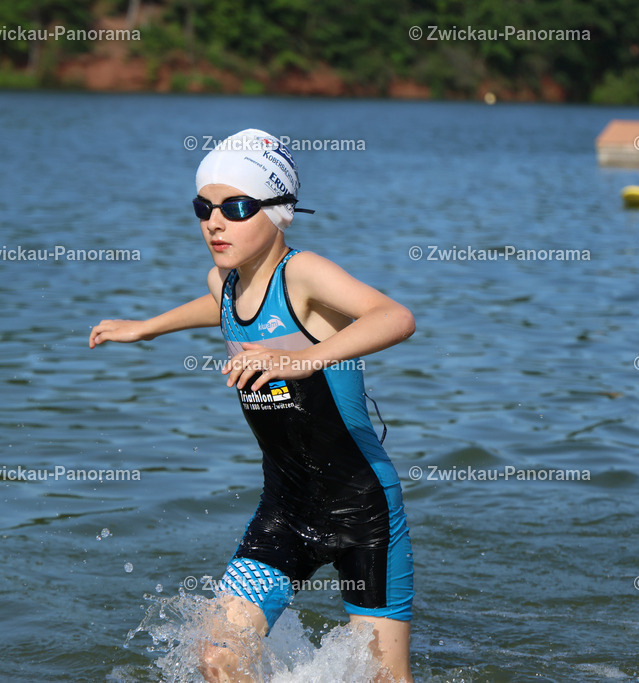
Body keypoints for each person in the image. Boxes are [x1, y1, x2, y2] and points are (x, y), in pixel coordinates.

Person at [89, 129, 416, 682]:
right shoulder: (225, 281)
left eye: (237, 207)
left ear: (279, 211)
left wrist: (307, 359)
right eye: (204, 207)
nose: (215, 222)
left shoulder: (305, 275)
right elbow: (217, 303)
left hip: (362, 513)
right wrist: (148, 328)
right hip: (284, 512)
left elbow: (394, 317)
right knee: (217, 659)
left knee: (384, 680)